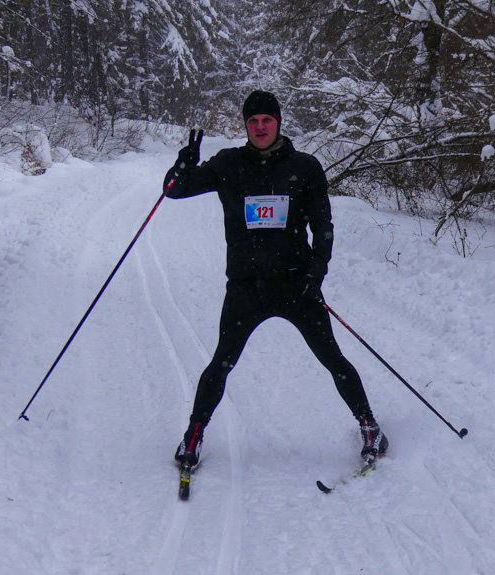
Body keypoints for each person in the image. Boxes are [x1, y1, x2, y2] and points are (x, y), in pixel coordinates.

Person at [163, 90, 388, 469]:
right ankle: (194, 434)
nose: (260, 127)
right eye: (253, 121)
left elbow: (323, 226)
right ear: (245, 126)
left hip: (295, 284)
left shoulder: (305, 166)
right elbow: (172, 191)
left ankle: (370, 427)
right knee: (221, 363)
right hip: (246, 287)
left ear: (278, 122)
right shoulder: (228, 164)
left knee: (331, 357)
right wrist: (182, 165)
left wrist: (316, 271)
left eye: (267, 119)